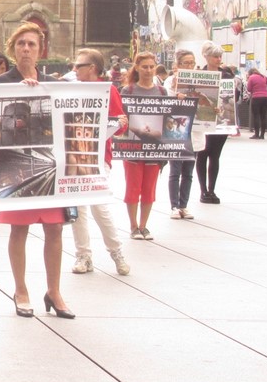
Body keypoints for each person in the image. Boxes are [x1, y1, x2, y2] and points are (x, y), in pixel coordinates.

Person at [0, 23, 75, 320]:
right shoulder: (1, 82)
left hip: (49, 166)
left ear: (41, 50)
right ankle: (21, 289)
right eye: (20, 44)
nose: (26, 49)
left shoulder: (55, 84)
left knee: (54, 229)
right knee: (20, 229)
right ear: (13, 48)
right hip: (16, 164)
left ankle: (54, 291)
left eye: (31, 44)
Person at [69, 49, 131, 275]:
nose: (75, 69)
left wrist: (121, 122)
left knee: (98, 205)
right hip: (75, 154)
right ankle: (83, 255)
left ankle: (116, 252)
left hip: (97, 156)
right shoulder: (71, 89)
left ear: (92, 68)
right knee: (79, 208)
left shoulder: (108, 90)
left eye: (79, 65)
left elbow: (120, 123)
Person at [120, 52, 166, 241]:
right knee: (133, 187)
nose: (148, 70)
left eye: (151, 66)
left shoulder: (162, 92)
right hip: (132, 146)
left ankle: (143, 225)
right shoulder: (128, 91)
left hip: (154, 149)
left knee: (149, 188)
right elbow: (122, 119)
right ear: (137, 68)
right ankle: (133, 226)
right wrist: (138, 129)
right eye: (144, 66)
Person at [166, 49, 199, 220]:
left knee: (188, 171)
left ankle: (184, 204)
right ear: (178, 65)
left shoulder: (199, 80)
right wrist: (175, 95)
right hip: (177, 130)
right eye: (186, 63)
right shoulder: (170, 81)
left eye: (192, 62)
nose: (190, 66)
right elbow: (165, 103)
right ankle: (174, 205)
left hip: (194, 131)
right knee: (175, 169)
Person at [196, 42, 228, 203]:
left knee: (215, 155)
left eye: (220, 56)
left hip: (220, 120)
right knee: (202, 153)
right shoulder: (199, 74)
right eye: (215, 56)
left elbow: (232, 97)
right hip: (203, 120)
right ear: (206, 57)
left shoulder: (227, 75)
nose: (218, 59)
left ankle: (212, 190)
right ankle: (203, 190)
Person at [247, 65, 267, 140]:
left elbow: (249, 89)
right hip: (265, 98)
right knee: (263, 116)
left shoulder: (251, 77)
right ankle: (262, 135)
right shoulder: (263, 76)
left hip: (256, 98)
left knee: (256, 116)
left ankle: (256, 134)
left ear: (250, 73)